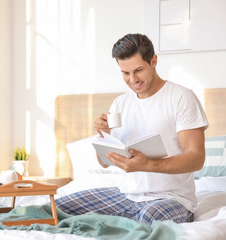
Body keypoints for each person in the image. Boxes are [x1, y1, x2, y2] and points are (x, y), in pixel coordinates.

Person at [55, 33, 208, 225]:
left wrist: (147, 165)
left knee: (149, 219)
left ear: (153, 61)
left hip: (170, 198)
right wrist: (104, 135)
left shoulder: (180, 97)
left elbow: (196, 158)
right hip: (126, 196)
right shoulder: (120, 103)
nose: (132, 79)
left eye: (138, 70)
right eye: (125, 73)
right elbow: (104, 163)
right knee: (55, 209)